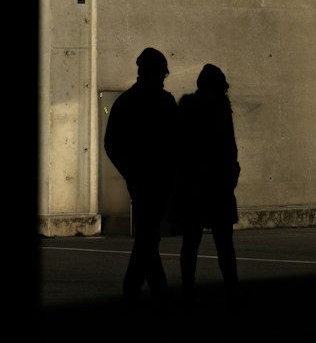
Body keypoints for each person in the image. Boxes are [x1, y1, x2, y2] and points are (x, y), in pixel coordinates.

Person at [103, 46, 178, 305]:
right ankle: (146, 289)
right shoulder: (165, 102)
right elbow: (177, 142)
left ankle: (142, 289)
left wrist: (130, 172)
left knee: (148, 236)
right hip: (158, 180)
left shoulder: (126, 103)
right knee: (148, 236)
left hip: (142, 180)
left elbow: (112, 144)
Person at [172, 63, 241, 301]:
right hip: (216, 185)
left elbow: (180, 151)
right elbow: (229, 150)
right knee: (223, 244)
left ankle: (188, 290)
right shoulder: (221, 110)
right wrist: (231, 175)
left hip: (196, 187)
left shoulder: (188, 110)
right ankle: (231, 289)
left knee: (191, 243)